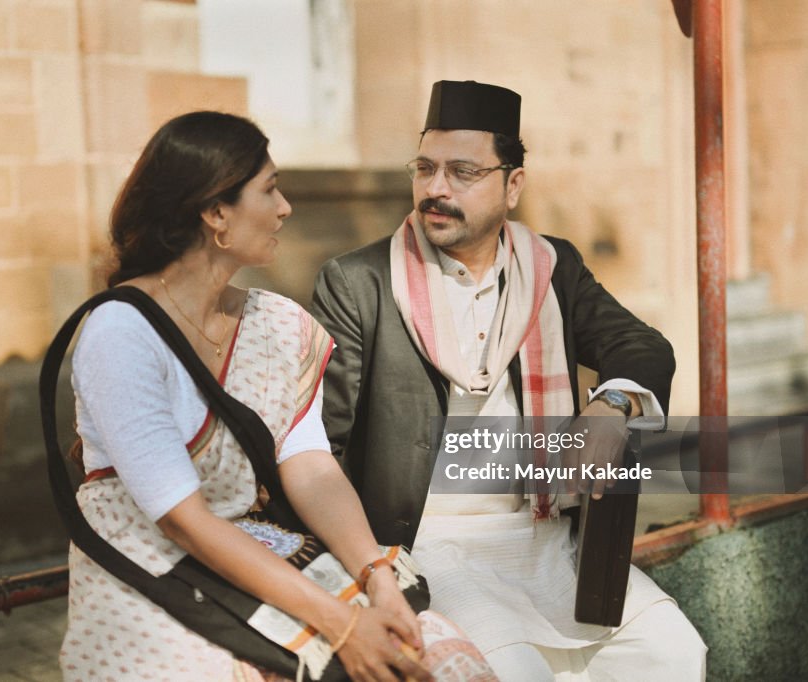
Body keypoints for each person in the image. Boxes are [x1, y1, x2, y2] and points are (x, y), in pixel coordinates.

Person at [59, 110, 499, 682]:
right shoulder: (121, 333)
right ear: (216, 213)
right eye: (269, 190)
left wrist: (377, 577)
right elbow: (182, 521)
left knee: (436, 655)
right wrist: (342, 625)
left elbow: (310, 464)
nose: (285, 207)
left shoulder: (275, 322)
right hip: (152, 573)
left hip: (258, 549)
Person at [311, 81, 708, 680]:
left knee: (674, 653)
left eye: (463, 172)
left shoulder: (552, 266)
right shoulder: (361, 281)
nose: (436, 189)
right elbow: (320, 446)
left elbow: (641, 346)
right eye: (426, 169)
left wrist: (612, 404)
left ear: (512, 186)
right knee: (512, 669)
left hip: (547, 538)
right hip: (429, 546)